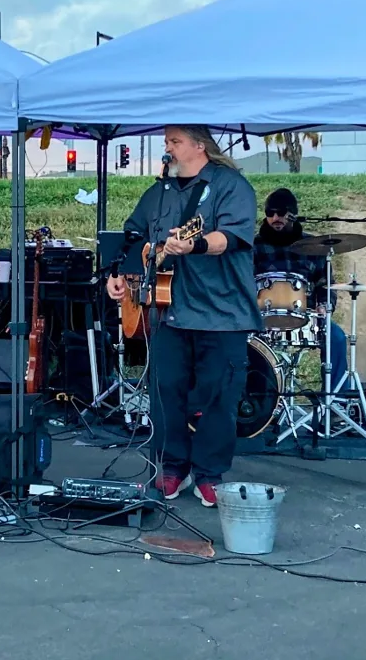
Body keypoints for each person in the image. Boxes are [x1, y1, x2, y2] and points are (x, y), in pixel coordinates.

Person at [107, 126, 258, 507]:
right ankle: (172, 467)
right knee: (165, 393)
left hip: (222, 311)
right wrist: (119, 275)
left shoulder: (230, 185)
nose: (168, 148)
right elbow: (130, 235)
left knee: (218, 397)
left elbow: (232, 237)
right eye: (167, 142)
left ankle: (209, 472)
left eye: (174, 141)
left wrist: (197, 243)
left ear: (198, 145)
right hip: (167, 311)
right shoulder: (159, 192)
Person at [252, 187, 350, 394]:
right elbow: (243, 284)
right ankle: (260, 401)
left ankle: (336, 403)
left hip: (306, 317)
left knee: (337, 338)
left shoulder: (314, 245)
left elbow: (326, 285)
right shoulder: (255, 246)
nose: (275, 218)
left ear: (293, 214)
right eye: (270, 213)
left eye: (281, 212)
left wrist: (325, 306)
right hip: (261, 319)